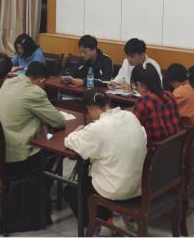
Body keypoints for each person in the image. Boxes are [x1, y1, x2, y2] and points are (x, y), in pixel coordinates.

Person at [63, 89, 147, 223]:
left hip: (117, 189)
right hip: (140, 185)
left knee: (71, 191)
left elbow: (70, 142)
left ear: (90, 108)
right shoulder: (130, 116)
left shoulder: (98, 127)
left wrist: (76, 132)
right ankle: (107, 218)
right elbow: (143, 136)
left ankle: (101, 221)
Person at [0, 61, 66, 171]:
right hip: (16, 158)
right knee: (55, 149)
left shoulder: (8, 82)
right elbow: (59, 122)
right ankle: (42, 182)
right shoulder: (34, 92)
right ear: (42, 81)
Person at [132, 64, 181, 143]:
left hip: (154, 148)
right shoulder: (170, 95)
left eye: (135, 86)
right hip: (175, 145)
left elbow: (132, 129)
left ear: (139, 84)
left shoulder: (144, 102)